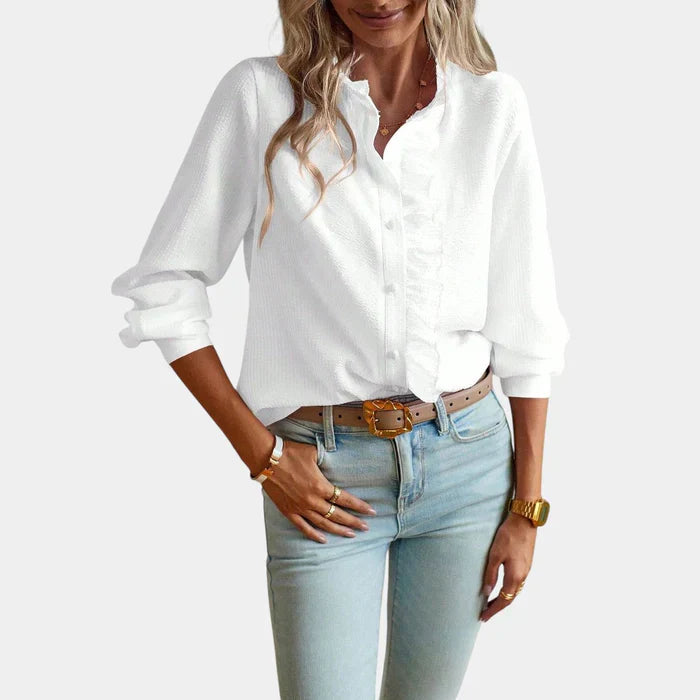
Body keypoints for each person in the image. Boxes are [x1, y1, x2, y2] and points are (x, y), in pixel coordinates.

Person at [111, 1, 569, 698]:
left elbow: (526, 323)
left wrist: (526, 509)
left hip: (468, 467)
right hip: (321, 478)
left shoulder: (492, 107)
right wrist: (265, 457)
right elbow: (165, 285)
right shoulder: (260, 97)